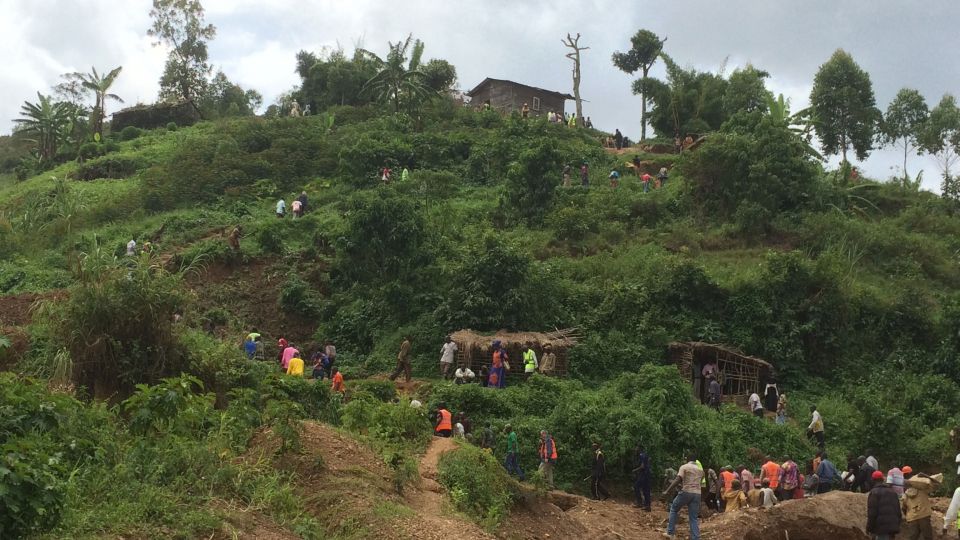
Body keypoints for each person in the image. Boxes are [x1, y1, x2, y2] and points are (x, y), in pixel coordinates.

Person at [663, 454, 703, 540]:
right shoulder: (700, 470)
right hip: (697, 494)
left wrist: (667, 490)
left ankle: (670, 533)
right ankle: (695, 538)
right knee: (693, 518)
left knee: (673, 509)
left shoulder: (684, 467)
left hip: (687, 492)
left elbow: (678, 479)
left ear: (687, 459)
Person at [902, 473, 940, 540]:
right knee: (928, 536)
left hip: (912, 518)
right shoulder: (923, 490)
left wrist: (908, 516)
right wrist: (926, 476)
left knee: (913, 537)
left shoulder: (905, 496)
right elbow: (936, 484)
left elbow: (904, 508)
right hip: (924, 515)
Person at [633, 442, 652, 511]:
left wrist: (635, 470)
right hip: (647, 474)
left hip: (644, 474)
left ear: (639, 448)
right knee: (646, 489)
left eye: (636, 448)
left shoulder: (641, 455)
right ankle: (647, 505)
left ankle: (640, 503)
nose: (635, 449)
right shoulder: (645, 455)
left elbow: (642, 466)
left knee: (636, 486)